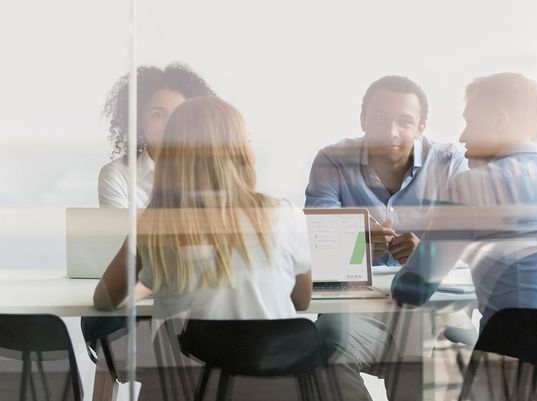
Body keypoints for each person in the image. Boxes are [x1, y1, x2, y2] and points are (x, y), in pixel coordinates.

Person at [391, 72, 537, 328]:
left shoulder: (474, 184)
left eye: (470, 122)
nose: (462, 137)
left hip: (511, 358)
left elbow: (412, 291)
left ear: (499, 121)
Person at [305, 76, 468, 401]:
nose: (391, 132)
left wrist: (428, 255)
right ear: (363, 119)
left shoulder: (449, 162)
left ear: (421, 126)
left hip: (431, 304)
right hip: (355, 306)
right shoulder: (333, 160)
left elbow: (469, 244)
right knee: (325, 343)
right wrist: (356, 246)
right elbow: (316, 245)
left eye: (404, 121)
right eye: (379, 118)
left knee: (449, 347)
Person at [93, 96, 312, 321]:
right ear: (238, 152)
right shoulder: (286, 216)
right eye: (247, 141)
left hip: (187, 356)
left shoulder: (155, 225)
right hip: (275, 356)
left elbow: (104, 299)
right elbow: (302, 301)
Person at [97, 63, 215, 208]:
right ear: (139, 120)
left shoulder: (211, 171)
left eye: (179, 114)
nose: (170, 125)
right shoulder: (118, 175)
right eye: (158, 115)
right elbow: (120, 231)